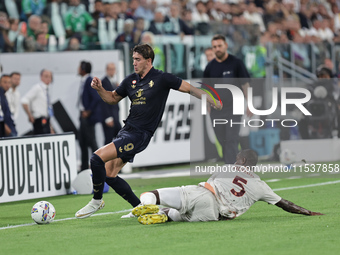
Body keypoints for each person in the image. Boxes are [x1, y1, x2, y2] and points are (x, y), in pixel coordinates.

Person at [75, 43, 222, 219]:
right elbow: (113, 98)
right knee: (109, 174)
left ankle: (97, 200)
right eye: (133, 59)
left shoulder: (162, 78)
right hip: (126, 130)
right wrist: (100, 89)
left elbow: (189, 88)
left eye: (138, 60)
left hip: (139, 135)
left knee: (96, 158)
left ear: (148, 60)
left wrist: (209, 99)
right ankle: (140, 207)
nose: (134, 63)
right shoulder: (130, 80)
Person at [131, 149, 323, 225]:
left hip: (206, 193)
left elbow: (210, 182)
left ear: (243, 160)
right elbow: (284, 204)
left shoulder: (229, 167)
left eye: (238, 158)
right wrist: (308, 212)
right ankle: (164, 215)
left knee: (152, 193)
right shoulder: (261, 186)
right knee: (179, 216)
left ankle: (144, 206)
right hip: (214, 215)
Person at [203, 34, 252, 164]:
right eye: (214, 47)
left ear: (226, 46)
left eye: (219, 46)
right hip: (216, 110)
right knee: (222, 140)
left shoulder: (236, 63)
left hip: (234, 108)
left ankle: (231, 169)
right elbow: (206, 89)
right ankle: (234, 164)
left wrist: (250, 103)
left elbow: (245, 84)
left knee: (231, 138)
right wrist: (207, 105)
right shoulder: (210, 67)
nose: (217, 49)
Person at [77, 60, 102, 170]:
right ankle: (84, 168)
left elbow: (96, 98)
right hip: (83, 116)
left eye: (79, 67)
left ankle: (100, 165)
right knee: (83, 143)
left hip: (87, 117)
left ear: (83, 69)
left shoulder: (88, 81)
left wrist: (88, 111)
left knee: (92, 142)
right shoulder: (84, 80)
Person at [21, 69, 54, 135]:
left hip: (46, 119)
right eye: (46, 76)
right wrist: (30, 115)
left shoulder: (46, 90)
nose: (48, 79)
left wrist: (50, 127)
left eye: (50, 77)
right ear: (41, 77)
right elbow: (24, 100)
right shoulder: (37, 88)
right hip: (39, 120)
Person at [101, 62, 121, 145]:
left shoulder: (113, 82)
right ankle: (105, 158)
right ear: (107, 70)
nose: (112, 71)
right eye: (110, 69)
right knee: (108, 141)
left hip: (115, 116)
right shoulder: (104, 82)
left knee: (119, 138)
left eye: (113, 69)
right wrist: (108, 118)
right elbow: (103, 101)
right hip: (109, 117)